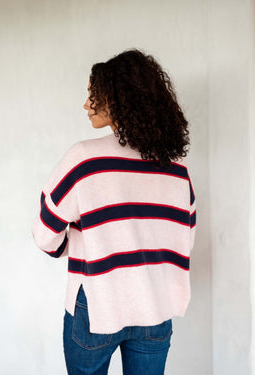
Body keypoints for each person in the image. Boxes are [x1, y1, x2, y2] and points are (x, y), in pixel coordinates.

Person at [32, 48, 197, 375]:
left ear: (118, 99)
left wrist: (79, 244)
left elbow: (44, 234)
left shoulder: (84, 160)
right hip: (155, 304)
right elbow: (183, 240)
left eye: (93, 95)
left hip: (97, 302)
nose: (86, 104)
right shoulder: (177, 171)